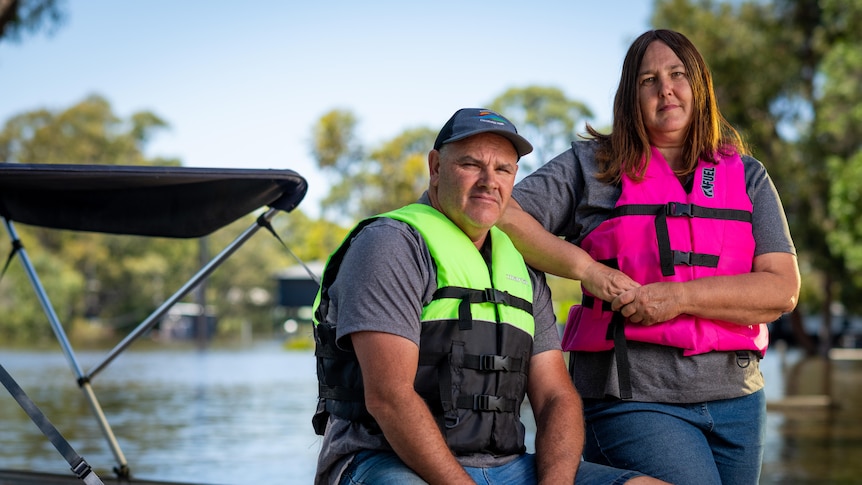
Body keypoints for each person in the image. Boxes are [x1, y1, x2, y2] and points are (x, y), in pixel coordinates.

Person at [498, 30, 801, 485]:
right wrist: (588, 271)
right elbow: (500, 211)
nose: (666, 89)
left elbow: (782, 289)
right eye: (648, 80)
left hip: (739, 401)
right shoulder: (592, 166)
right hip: (632, 398)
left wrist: (679, 297)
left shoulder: (749, 175)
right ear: (630, 97)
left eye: (678, 74)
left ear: (698, 85)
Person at [311, 108, 667, 484]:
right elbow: (389, 398)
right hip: (385, 462)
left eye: (503, 169)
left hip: (507, 467)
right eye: (470, 164)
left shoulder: (521, 265)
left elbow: (555, 398)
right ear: (435, 168)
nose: (489, 181)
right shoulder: (391, 245)